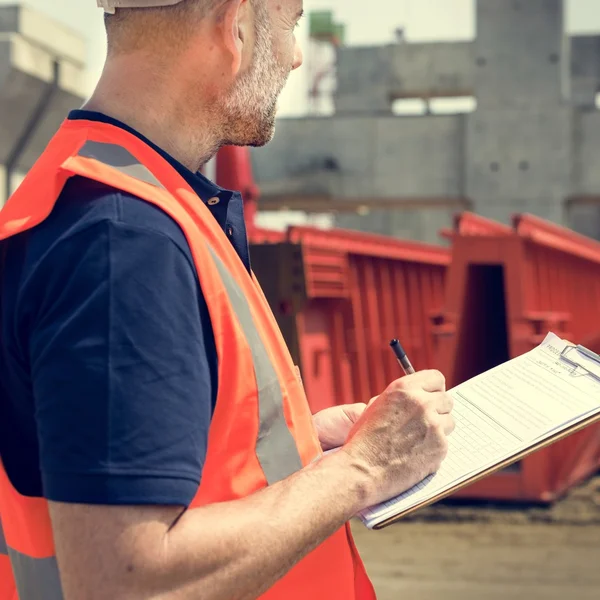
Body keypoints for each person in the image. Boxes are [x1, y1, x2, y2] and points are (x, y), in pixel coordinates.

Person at [0, 1, 455, 598]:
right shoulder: (124, 240)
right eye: (291, 20)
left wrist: (303, 443)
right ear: (234, 23)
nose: (296, 55)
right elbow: (123, 581)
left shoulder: (115, 197)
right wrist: (363, 468)